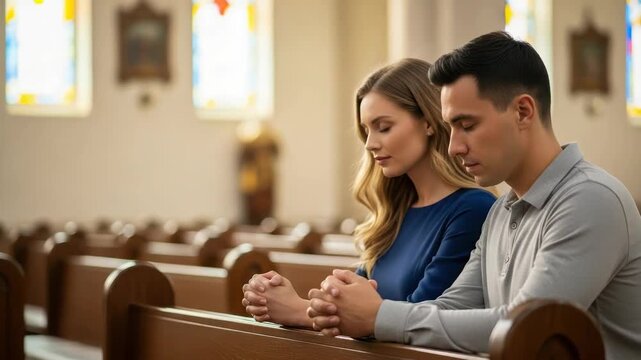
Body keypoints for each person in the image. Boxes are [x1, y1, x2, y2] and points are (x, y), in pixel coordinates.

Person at [306, 31, 641, 359]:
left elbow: (523, 326)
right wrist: (359, 312)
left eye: (466, 125)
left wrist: (379, 316)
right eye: (450, 127)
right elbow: (449, 308)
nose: (453, 146)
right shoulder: (502, 212)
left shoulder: (589, 200)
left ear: (523, 111)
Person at [241, 58, 496, 328]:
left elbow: (417, 321)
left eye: (384, 127)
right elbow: (351, 307)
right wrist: (285, 297)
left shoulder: (472, 209)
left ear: (428, 122)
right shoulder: (395, 212)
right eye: (366, 131)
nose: (371, 144)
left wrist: (297, 310)